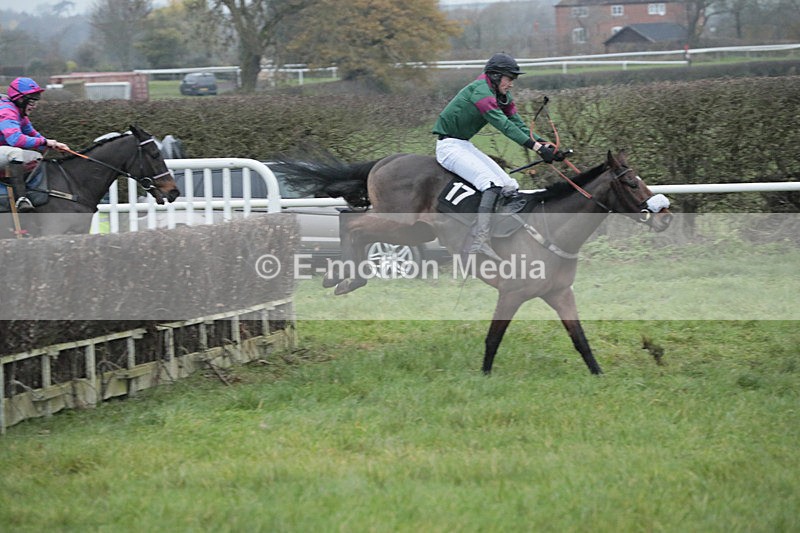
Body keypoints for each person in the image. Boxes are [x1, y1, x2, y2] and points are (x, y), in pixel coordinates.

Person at [432, 53, 556, 261]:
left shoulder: (501, 95)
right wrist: (535, 146)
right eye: (509, 79)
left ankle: (501, 236)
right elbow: (504, 126)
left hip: (463, 144)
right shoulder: (480, 92)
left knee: (509, 185)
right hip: (449, 147)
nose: (512, 84)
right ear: (496, 76)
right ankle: (478, 242)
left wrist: (545, 145)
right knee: (490, 184)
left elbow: (518, 124)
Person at [0, 77, 70, 213]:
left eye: (35, 101)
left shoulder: (20, 114)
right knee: (15, 153)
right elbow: (15, 140)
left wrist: (54, 145)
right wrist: (45, 142)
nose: (34, 106)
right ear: (20, 99)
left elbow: (33, 134)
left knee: (35, 156)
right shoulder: (7, 111)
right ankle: (21, 199)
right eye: (31, 101)